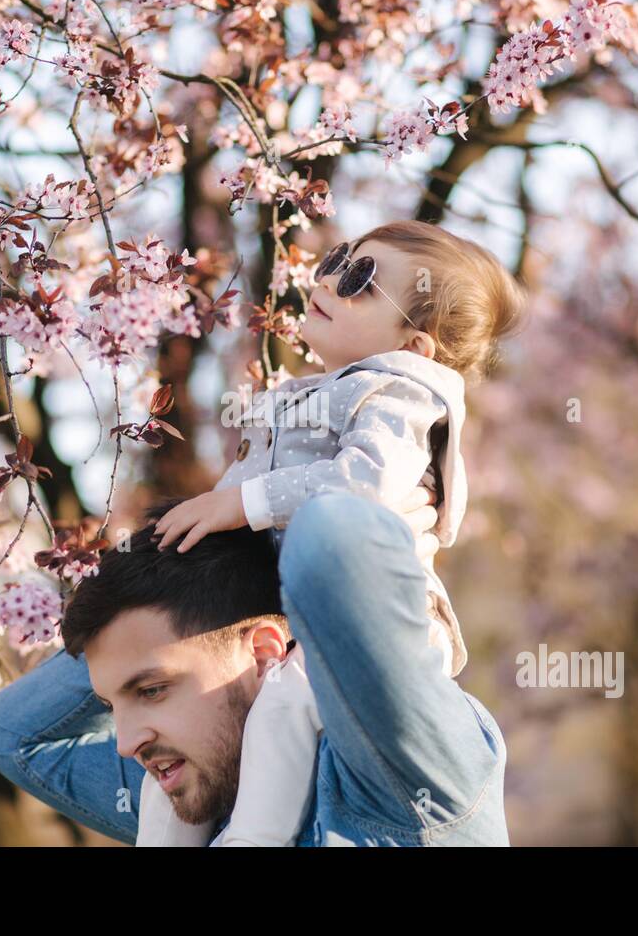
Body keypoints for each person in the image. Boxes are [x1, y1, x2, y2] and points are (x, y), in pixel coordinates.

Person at [137, 220, 525, 844]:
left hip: (370, 621)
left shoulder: (401, 396)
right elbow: (234, 498)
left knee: (286, 705)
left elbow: (361, 485)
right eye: (341, 260)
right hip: (290, 621)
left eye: (361, 282)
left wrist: (239, 503)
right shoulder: (303, 395)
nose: (327, 280)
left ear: (415, 347)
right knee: (202, 727)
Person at [0, 492, 510, 846]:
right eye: (110, 704)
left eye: (153, 688)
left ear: (263, 652)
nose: (124, 744)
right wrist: (151, 602)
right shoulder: (205, 792)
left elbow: (334, 536)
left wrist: (248, 500)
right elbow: (11, 734)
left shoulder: (399, 773)